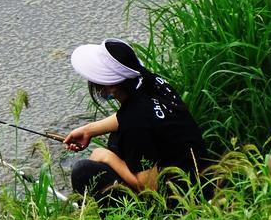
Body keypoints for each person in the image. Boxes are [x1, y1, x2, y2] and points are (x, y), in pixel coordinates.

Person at [63, 38, 211, 208]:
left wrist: (107, 157)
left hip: (180, 202)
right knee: (117, 141)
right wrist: (90, 130)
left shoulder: (135, 122)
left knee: (84, 172)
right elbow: (136, 117)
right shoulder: (151, 82)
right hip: (200, 177)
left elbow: (150, 187)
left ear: (112, 87)